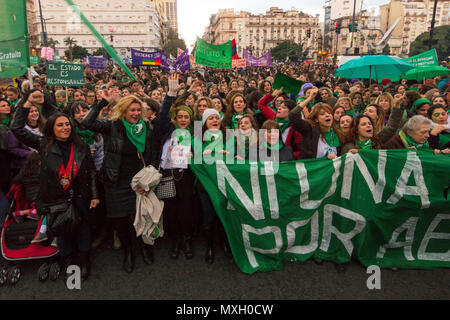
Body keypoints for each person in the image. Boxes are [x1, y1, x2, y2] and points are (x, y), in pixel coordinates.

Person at [11, 103, 100, 280]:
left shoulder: (80, 145)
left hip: (81, 196)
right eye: (60, 125)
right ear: (51, 127)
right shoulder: (43, 145)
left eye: (67, 124)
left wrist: (95, 195)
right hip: (56, 198)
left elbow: (90, 171)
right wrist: (26, 104)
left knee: (83, 229)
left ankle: (84, 260)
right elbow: (17, 128)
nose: (65, 127)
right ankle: (67, 261)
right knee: (62, 231)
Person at [82, 91, 160, 273]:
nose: (135, 113)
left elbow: (153, 153)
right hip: (117, 181)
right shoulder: (112, 126)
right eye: (131, 110)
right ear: (123, 111)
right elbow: (87, 122)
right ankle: (128, 251)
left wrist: (150, 177)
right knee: (120, 220)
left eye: (138, 110)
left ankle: (143, 246)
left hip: (140, 181)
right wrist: (102, 102)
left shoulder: (147, 128)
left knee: (143, 216)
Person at [159, 74, 196, 261]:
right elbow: (163, 115)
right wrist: (171, 94)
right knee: (171, 210)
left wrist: (194, 157)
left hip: (186, 177)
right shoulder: (167, 130)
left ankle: (187, 239)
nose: (183, 119)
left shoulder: (195, 135)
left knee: (186, 210)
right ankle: (175, 241)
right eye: (180, 116)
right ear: (175, 119)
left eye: (186, 117)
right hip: (168, 175)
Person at [257, 88, 302, 159]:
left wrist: (286, 155)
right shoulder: (273, 118)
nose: (279, 108)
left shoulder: (296, 129)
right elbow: (261, 104)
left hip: (285, 164)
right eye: (279, 107)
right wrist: (272, 95)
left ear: (291, 112)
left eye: (283, 107)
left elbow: (301, 151)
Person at [383, 115, 449, 154]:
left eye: (428, 132)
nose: (428, 136)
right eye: (423, 132)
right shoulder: (392, 143)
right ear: (409, 132)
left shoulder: (425, 144)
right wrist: (404, 154)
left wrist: (438, 154)